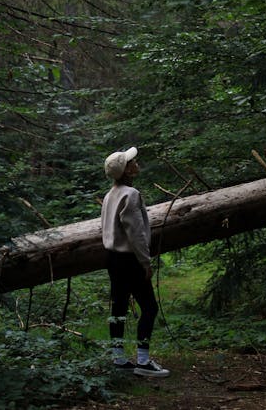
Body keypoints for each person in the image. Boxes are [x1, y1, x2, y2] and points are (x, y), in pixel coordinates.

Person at [100, 146, 170, 378]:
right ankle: (143, 361)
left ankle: (119, 359)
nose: (136, 163)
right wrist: (146, 263)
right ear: (127, 171)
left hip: (113, 259)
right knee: (149, 307)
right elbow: (136, 233)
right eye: (132, 161)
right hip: (130, 260)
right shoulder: (131, 195)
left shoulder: (110, 195)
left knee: (118, 307)